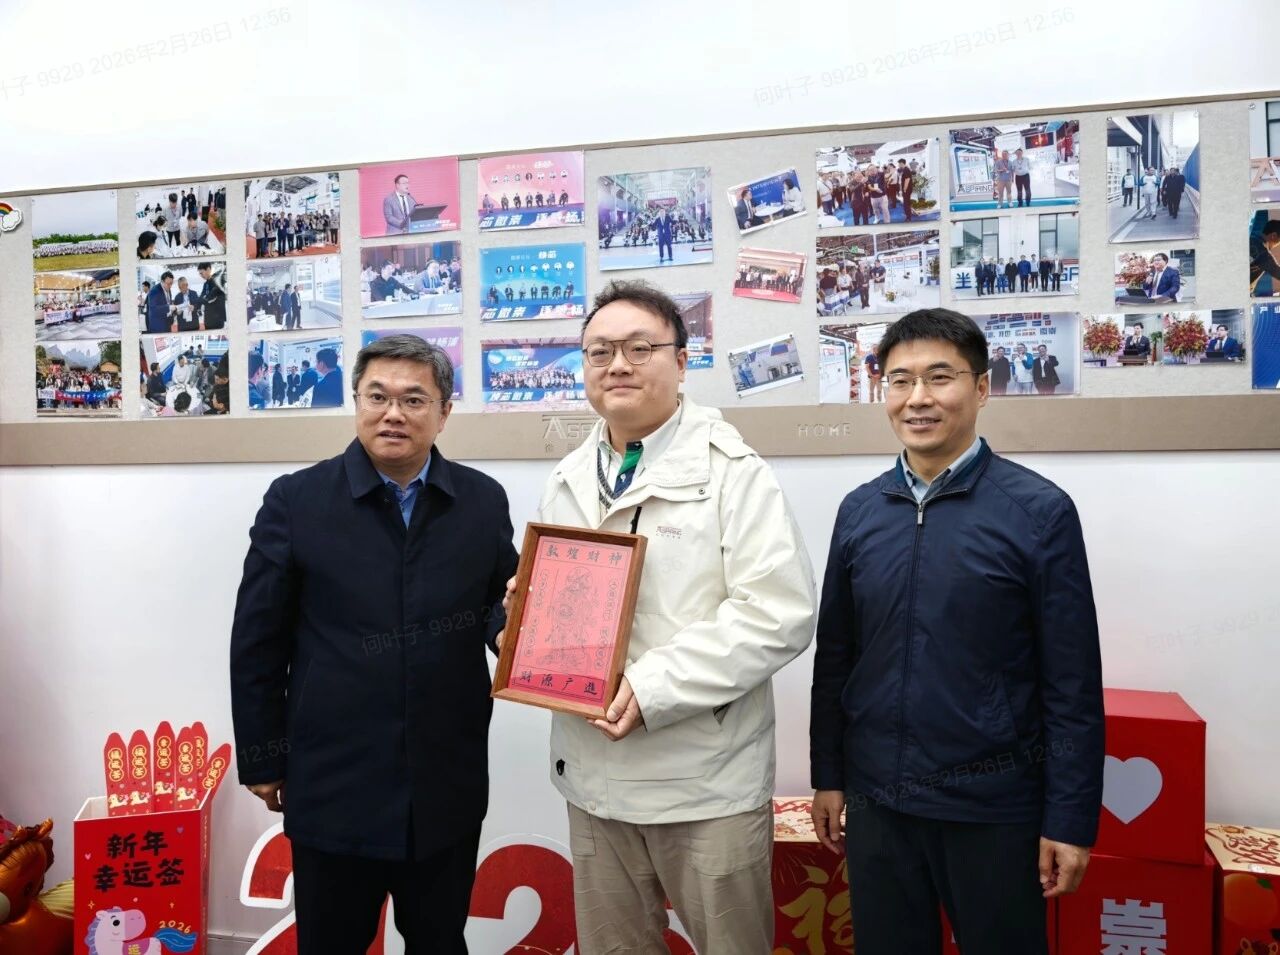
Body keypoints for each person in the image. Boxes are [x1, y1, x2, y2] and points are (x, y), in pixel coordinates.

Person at [504, 280, 816, 954]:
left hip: (703, 780)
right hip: (592, 775)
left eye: (639, 348)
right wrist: (528, 619)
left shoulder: (734, 472)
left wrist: (654, 688)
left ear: (681, 361)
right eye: (599, 351)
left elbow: (779, 612)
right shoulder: (570, 475)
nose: (617, 364)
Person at [809, 308, 1103, 955]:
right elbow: (836, 658)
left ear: (982, 387)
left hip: (993, 807)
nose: (917, 398)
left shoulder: (1039, 512)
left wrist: (1071, 818)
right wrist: (828, 774)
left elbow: (1073, 682)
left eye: (939, 377)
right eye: (900, 380)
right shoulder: (859, 512)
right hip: (878, 802)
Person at [231, 335, 518, 955]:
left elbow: (499, 604)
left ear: (444, 412)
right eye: (377, 396)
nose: (393, 413)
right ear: (356, 403)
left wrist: (517, 633)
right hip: (333, 777)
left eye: (414, 399)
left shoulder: (481, 500)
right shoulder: (297, 500)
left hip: (445, 778)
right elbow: (257, 638)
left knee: (440, 941)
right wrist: (261, 757)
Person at [197, 263, 226, 330]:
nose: (201, 275)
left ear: (208, 269)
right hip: (208, 320)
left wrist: (204, 299)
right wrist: (198, 307)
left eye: (201, 273)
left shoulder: (218, 281)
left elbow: (211, 297)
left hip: (217, 319)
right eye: (200, 274)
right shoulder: (205, 284)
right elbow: (201, 297)